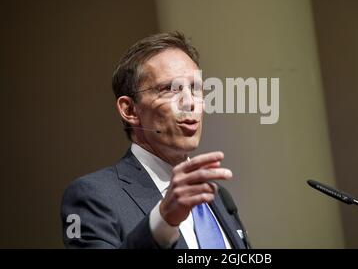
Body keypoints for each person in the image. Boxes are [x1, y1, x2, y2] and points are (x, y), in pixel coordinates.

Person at [60, 32, 250, 249]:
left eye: (196, 88)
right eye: (170, 89)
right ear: (130, 110)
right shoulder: (92, 197)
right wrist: (163, 220)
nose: (190, 102)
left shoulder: (217, 196)